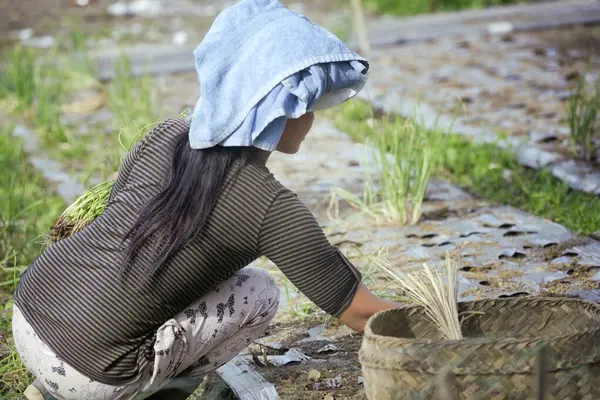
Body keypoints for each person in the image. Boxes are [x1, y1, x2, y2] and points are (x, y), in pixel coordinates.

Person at [13, 1, 403, 399]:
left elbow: (116, 220)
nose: (312, 118)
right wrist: (438, 317)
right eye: (305, 106)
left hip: (28, 312)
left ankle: (48, 387)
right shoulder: (269, 206)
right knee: (258, 293)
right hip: (94, 373)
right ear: (275, 111)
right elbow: (358, 310)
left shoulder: (164, 135)